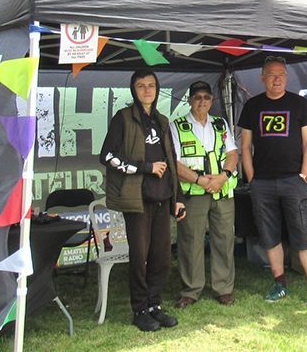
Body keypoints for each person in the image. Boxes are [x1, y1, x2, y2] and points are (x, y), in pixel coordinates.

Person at [238, 56, 307, 309]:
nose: (276, 79)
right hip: (262, 183)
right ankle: (279, 283)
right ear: (262, 78)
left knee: (303, 233)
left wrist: (303, 174)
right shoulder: (252, 106)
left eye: (281, 74)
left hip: (293, 181)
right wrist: (252, 178)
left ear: (286, 77)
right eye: (271, 74)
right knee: (269, 235)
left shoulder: (299, 104)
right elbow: (245, 146)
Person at [99, 69, 186, 332]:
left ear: (157, 89)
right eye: (141, 86)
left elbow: (171, 161)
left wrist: (177, 198)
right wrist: (144, 167)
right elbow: (107, 157)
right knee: (140, 256)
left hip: (162, 198)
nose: (147, 90)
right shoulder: (123, 119)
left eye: (151, 85)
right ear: (133, 90)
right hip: (137, 199)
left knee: (161, 256)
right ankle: (139, 309)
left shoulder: (161, 120)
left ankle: (154, 305)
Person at [171, 80, 239, 308]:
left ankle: (224, 288)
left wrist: (223, 177)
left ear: (212, 101)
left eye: (206, 97)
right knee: (191, 241)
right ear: (190, 100)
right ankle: (191, 290)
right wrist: (200, 180)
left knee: (224, 239)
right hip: (194, 193)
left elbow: (232, 154)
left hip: (222, 190)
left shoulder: (220, 124)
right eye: (197, 97)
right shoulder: (177, 126)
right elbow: (175, 163)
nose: (202, 101)